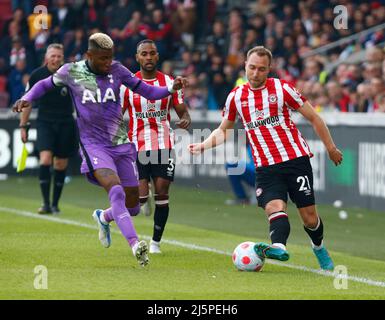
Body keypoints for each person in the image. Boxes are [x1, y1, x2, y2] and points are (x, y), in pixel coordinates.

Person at [13, 32, 188, 267]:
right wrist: (27, 97)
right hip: (93, 145)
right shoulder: (71, 71)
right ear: (89, 55)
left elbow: (147, 91)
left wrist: (170, 89)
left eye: (110, 58)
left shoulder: (118, 70)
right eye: (103, 59)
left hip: (121, 145)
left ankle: (103, 217)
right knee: (115, 191)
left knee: (134, 206)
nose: (108, 63)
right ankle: (136, 245)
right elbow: (45, 84)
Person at [189, 46, 343, 270]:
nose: (255, 73)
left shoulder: (282, 89)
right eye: (252, 68)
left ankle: (318, 246)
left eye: (261, 69)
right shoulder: (236, 97)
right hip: (266, 167)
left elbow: (315, 118)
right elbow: (224, 130)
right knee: (274, 206)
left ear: (269, 69)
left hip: (295, 160)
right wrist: (204, 145)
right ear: (245, 66)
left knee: (309, 218)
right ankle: (279, 246)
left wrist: (331, 148)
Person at [121, 39, 191, 254]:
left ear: (157, 56)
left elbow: (181, 110)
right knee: (139, 198)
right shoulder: (128, 84)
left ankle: (155, 242)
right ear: (137, 57)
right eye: (144, 54)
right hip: (137, 145)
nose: (149, 57)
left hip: (163, 142)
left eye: (152, 53)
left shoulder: (169, 82)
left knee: (163, 191)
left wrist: (185, 118)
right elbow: (117, 114)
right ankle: (144, 195)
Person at [19, 43, 78, 214]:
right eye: (53, 56)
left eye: (59, 56)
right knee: (45, 159)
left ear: (62, 58)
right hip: (45, 122)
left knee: (60, 163)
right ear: (46, 57)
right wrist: (23, 125)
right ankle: (45, 203)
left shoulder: (70, 75)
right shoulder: (37, 75)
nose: (56, 59)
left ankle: (55, 204)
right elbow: (27, 102)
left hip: (66, 122)